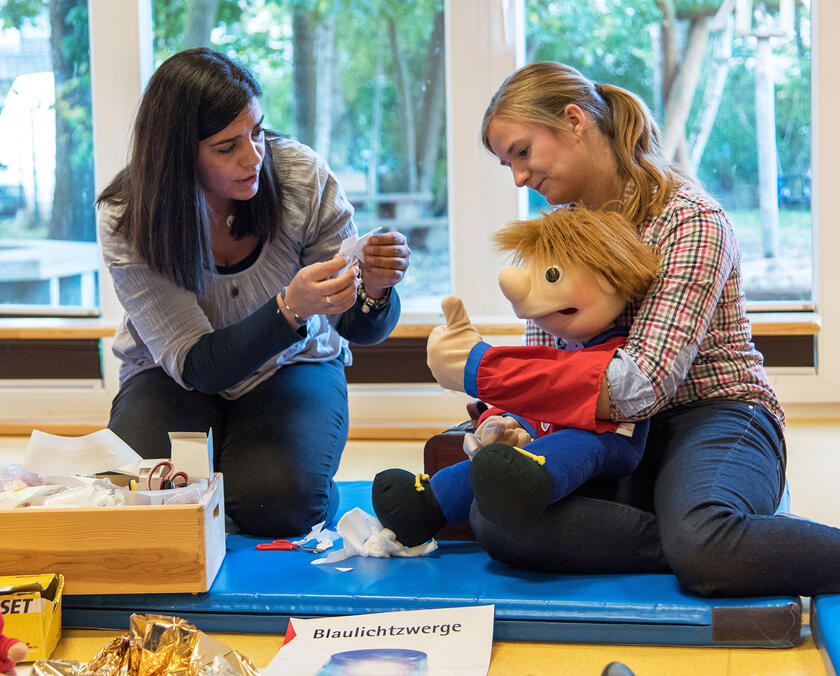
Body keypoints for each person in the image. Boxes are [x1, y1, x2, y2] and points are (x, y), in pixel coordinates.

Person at [450, 60, 840, 597]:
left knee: (702, 544)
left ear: (573, 120)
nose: (519, 177)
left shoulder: (691, 220)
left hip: (715, 413)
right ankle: (702, 537)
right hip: (606, 436)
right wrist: (508, 421)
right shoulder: (554, 234)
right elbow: (548, 370)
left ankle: (704, 537)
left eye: (522, 152)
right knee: (496, 516)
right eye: (506, 164)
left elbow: (643, 385)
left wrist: (484, 371)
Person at [96, 48, 410, 537]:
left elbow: (358, 328)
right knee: (145, 504)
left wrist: (376, 289)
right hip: (172, 376)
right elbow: (199, 366)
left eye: (258, 131)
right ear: (178, 154)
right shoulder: (127, 215)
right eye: (227, 147)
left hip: (293, 366)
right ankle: (227, 454)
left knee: (276, 508)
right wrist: (288, 309)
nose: (253, 157)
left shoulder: (301, 177)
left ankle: (270, 472)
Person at [372, 206, 658, 548]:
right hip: (552, 432)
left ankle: (524, 481)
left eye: (549, 275)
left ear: (608, 277)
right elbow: (539, 392)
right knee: (495, 467)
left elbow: (582, 385)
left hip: (608, 437)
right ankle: (429, 503)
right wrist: (507, 420)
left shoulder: (621, 350)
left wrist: (480, 366)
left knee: (563, 451)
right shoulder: (558, 344)